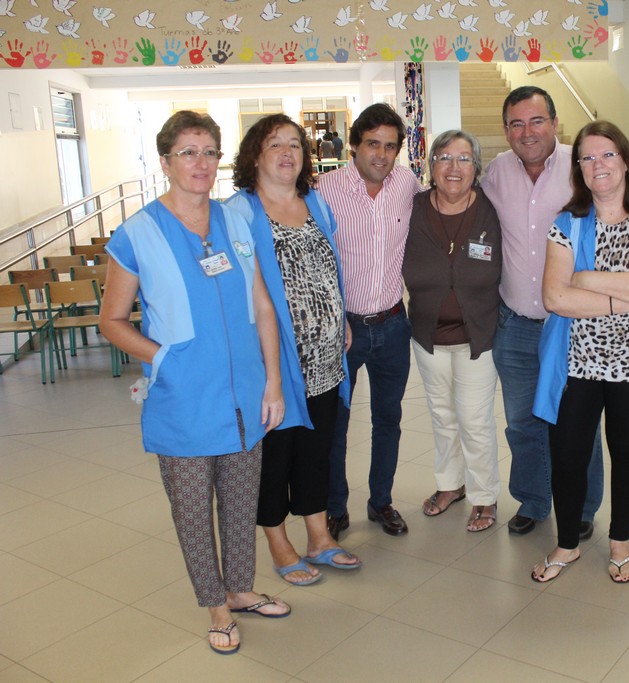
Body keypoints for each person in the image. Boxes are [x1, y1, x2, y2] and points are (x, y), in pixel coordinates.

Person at [99, 111, 290, 656]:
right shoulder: (137, 234)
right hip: (183, 399)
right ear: (165, 162)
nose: (200, 163)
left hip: (245, 393)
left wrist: (273, 382)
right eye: (187, 152)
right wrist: (164, 359)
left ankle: (241, 588)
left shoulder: (235, 222)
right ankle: (216, 607)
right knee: (192, 511)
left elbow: (262, 305)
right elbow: (111, 320)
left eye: (209, 152)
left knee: (241, 500)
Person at [531, 121, 629, 584]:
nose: (598, 165)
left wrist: (585, 279)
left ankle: (620, 542)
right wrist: (623, 301)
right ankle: (567, 544)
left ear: (626, 160)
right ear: (578, 168)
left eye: (608, 154)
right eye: (588, 158)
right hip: (576, 363)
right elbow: (554, 297)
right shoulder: (567, 222)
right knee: (568, 455)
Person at [226, 113, 360, 587]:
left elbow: (330, 267)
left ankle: (319, 537)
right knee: (276, 453)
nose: (287, 153)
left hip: (325, 358)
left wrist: (340, 314)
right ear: (254, 156)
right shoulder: (239, 211)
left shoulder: (315, 201)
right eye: (275, 144)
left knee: (316, 449)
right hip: (275, 361)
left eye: (295, 145)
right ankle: (279, 543)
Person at [481, 86, 605, 539]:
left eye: (536, 121)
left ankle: (583, 507)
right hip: (515, 324)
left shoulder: (582, 164)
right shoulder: (496, 171)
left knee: (579, 424)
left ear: (554, 123)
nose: (527, 132)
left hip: (573, 325)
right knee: (522, 422)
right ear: (506, 130)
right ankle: (534, 500)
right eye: (516, 124)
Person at [318, 104, 422, 537]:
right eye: (373, 144)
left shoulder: (407, 184)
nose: (381, 155)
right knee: (336, 425)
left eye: (391, 146)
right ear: (354, 146)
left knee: (388, 420)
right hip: (343, 329)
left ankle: (381, 502)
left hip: (394, 325)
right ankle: (334, 507)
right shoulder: (324, 190)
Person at [403, 130, 503, 532]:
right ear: (431, 166)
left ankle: (484, 495)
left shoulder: (492, 209)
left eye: (464, 159)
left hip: (478, 335)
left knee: (474, 420)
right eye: (444, 157)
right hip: (427, 335)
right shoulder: (412, 208)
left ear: (476, 167)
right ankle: (450, 485)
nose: (454, 167)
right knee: (442, 415)